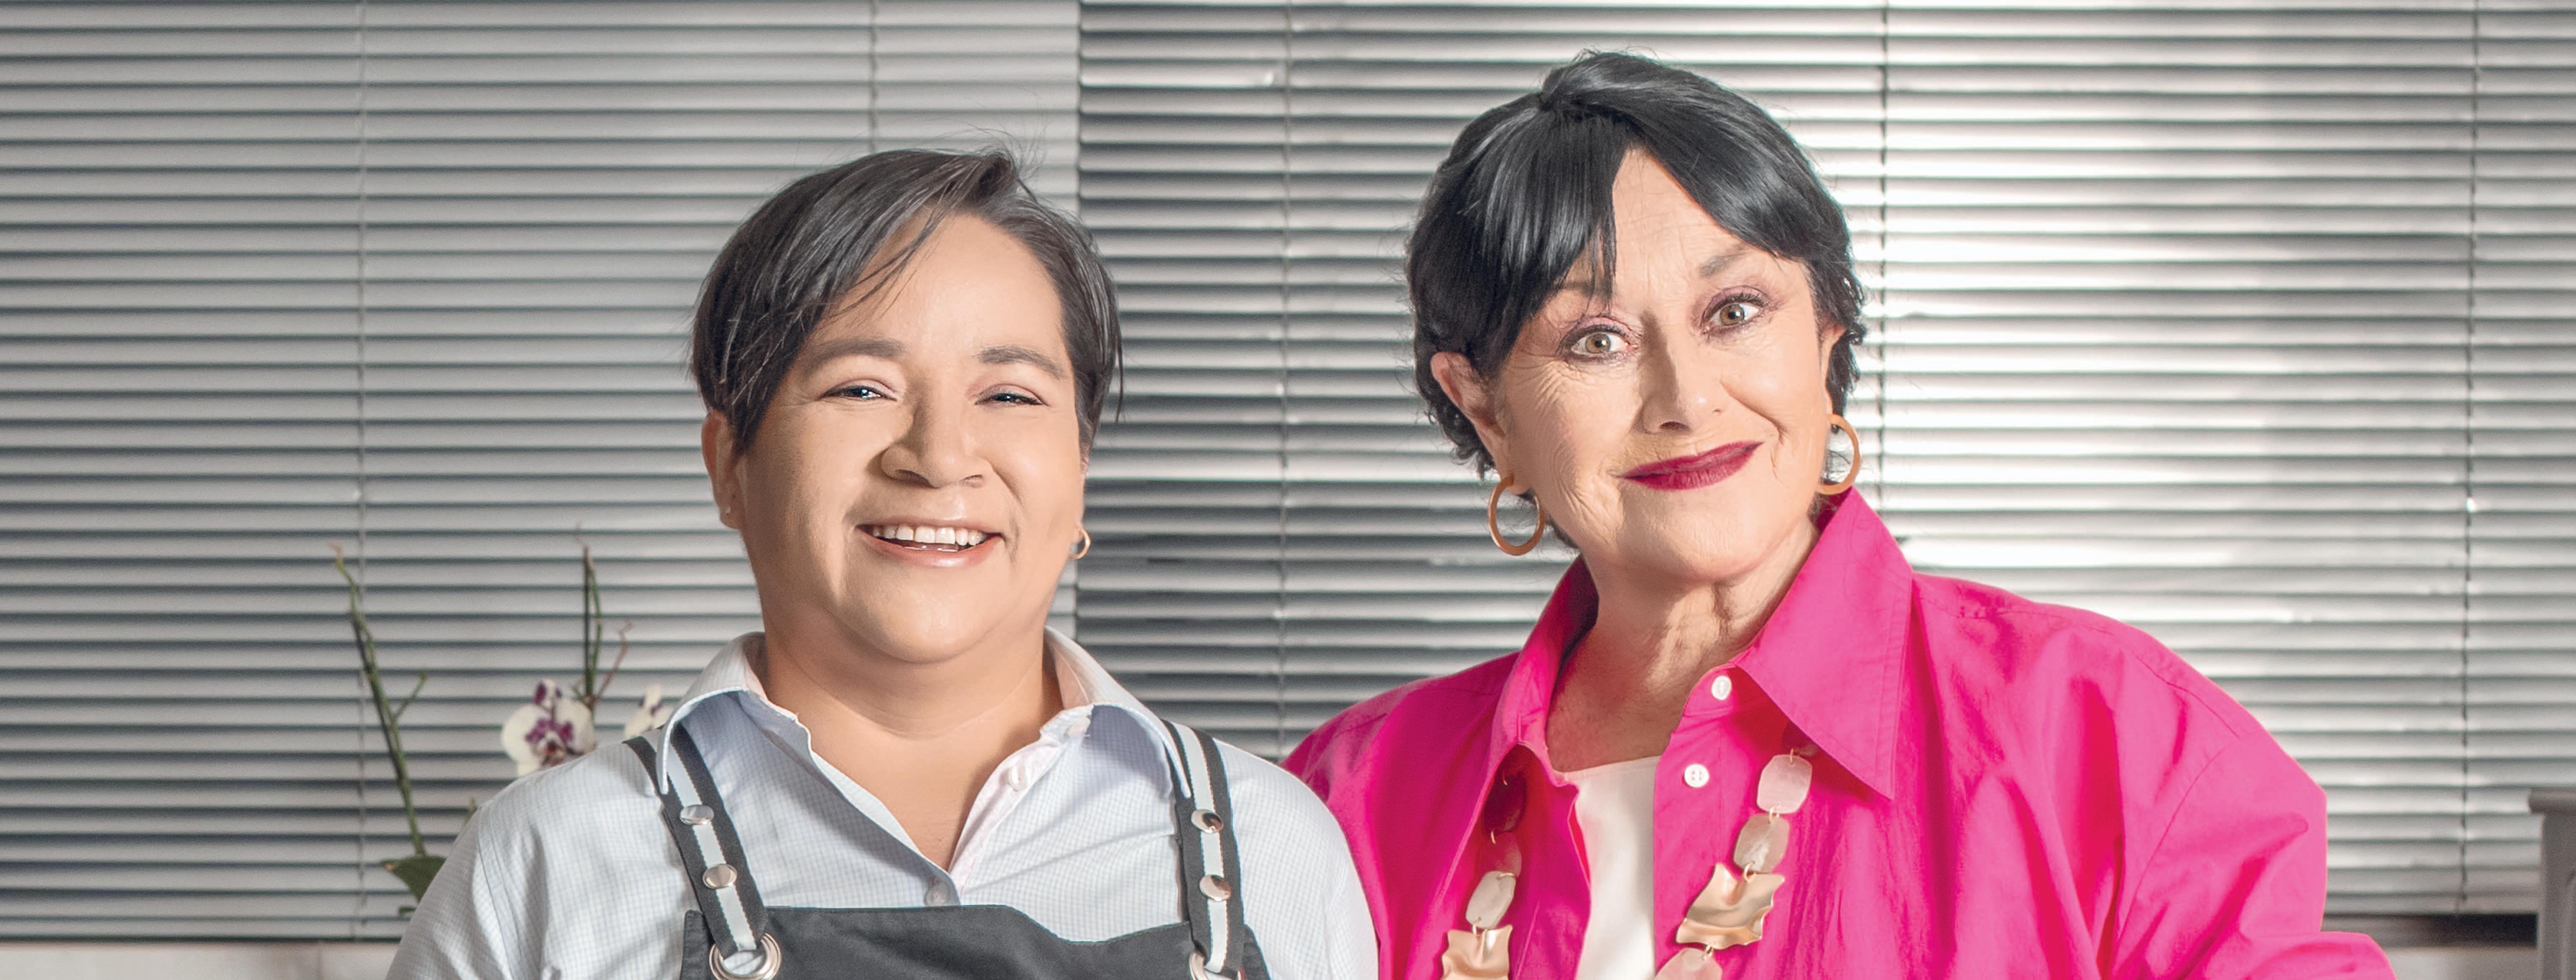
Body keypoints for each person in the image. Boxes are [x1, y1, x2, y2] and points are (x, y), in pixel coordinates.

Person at [1283, 53, 2394, 980]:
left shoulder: (2113, 739)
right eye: (1595, 340)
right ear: (1487, 410)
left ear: (1825, 334)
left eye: (1734, 311)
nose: (1686, 401)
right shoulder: (1347, 799)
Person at [391, 148, 1375, 980]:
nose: (939, 457)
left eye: (1010, 395)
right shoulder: (547, 862)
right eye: (861, 388)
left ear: (1079, 470)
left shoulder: (1274, 847)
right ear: (729, 463)